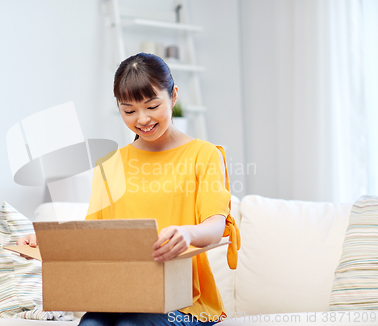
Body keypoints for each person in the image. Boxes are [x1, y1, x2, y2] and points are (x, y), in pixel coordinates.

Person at [18, 53, 240, 326]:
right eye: (129, 110)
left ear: (173, 96)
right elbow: (94, 237)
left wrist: (187, 232)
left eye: (152, 105)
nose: (142, 119)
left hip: (186, 302)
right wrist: (50, 242)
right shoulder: (109, 165)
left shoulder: (204, 155)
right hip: (120, 295)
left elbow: (215, 226)